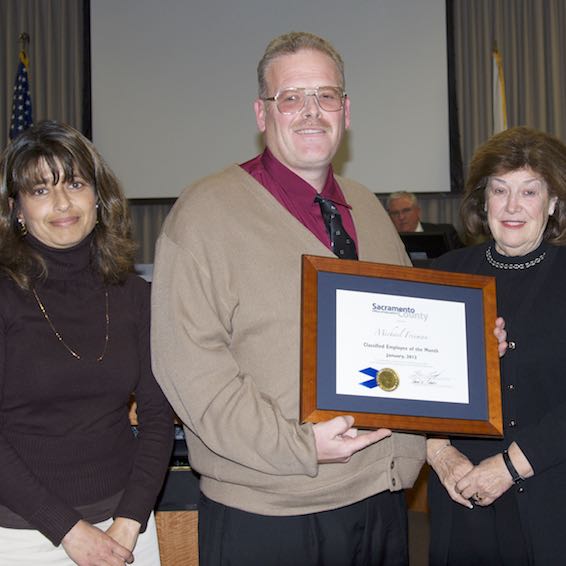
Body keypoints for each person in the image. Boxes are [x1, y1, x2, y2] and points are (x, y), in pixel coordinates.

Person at [151, 32, 425, 566]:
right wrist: (298, 447)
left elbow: (409, 331)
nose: (310, 112)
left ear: (346, 111)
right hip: (271, 512)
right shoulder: (205, 214)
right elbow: (191, 371)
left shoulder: (368, 209)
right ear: (262, 112)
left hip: (381, 497)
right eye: (291, 98)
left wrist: (472, 347)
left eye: (326, 96)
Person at [0, 120, 174, 565]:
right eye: (39, 190)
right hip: (23, 534)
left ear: (98, 196)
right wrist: (69, 531)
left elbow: (157, 420)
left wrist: (131, 519)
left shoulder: (136, 295)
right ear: (17, 209)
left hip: (126, 530)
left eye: (74, 183)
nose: (61, 203)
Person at [426, 126, 566, 565]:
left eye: (529, 191)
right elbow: (413, 379)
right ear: (482, 200)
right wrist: (439, 452)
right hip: (460, 489)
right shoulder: (445, 274)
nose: (511, 206)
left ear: (554, 202)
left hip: (551, 492)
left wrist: (507, 468)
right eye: (500, 190)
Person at [386, 190, 463, 249]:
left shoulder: (446, 232)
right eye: (395, 213)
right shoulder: (386, 240)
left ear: (418, 211)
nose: (401, 217)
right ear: (389, 216)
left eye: (406, 210)